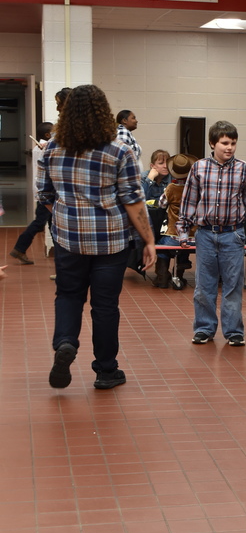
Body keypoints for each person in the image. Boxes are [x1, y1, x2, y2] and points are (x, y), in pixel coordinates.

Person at [38, 84, 156, 390]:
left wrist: (67, 216)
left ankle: (65, 343)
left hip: (68, 241)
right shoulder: (119, 150)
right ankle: (106, 371)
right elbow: (132, 200)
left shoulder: (51, 149)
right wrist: (149, 240)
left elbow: (46, 196)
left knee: (68, 295)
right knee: (105, 307)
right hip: (111, 242)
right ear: (103, 113)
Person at [178, 120, 246, 346]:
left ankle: (234, 331)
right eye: (225, 143)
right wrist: (183, 230)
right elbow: (189, 201)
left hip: (233, 235)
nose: (229, 147)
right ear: (212, 143)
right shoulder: (199, 168)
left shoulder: (243, 168)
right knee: (204, 286)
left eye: (233, 143)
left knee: (233, 286)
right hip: (205, 234)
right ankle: (204, 328)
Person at [10, 121, 54, 265]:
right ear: (48, 135)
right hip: (45, 193)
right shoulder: (43, 148)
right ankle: (19, 248)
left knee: (51, 225)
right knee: (40, 223)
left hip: (43, 192)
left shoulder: (41, 147)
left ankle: (60, 255)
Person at [153, 153, 198, 289]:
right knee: (184, 250)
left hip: (174, 235)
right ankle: (179, 275)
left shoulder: (171, 189)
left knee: (161, 247)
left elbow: (161, 204)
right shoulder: (196, 189)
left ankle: (162, 277)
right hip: (193, 236)